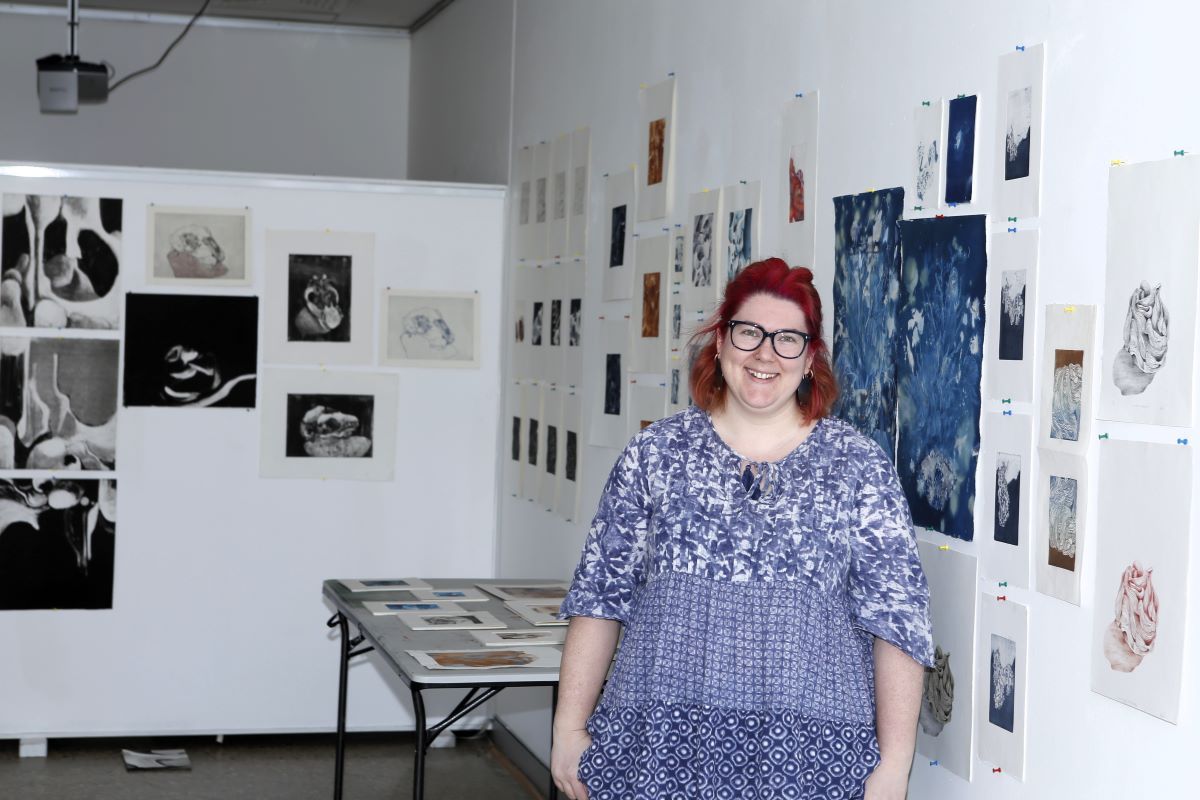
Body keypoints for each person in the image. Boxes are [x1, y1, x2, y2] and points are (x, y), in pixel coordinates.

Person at [552, 258, 933, 800]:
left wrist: (895, 765)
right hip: (661, 748)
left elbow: (898, 621)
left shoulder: (858, 467)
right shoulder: (655, 454)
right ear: (720, 342)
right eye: (749, 332)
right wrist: (568, 727)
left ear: (809, 361)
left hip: (808, 759)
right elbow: (600, 596)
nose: (764, 354)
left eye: (787, 340)